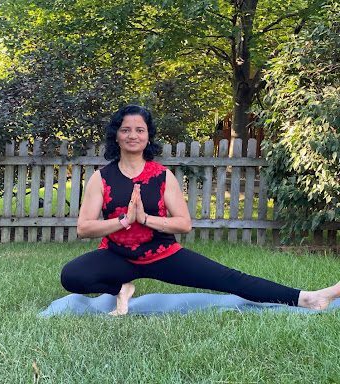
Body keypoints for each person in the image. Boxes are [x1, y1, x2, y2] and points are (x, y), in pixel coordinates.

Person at [61, 104, 340, 316]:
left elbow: (183, 224)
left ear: (148, 137)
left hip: (162, 255)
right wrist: (124, 221)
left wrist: (145, 219)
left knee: (230, 279)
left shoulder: (162, 176)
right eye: (125, 129)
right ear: (116, 136)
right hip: (116, 256)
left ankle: (307, 297)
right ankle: (122, 288)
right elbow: (84, 228)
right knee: (72, 276)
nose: (132, 135)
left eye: (139, 130)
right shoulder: (102, 177)